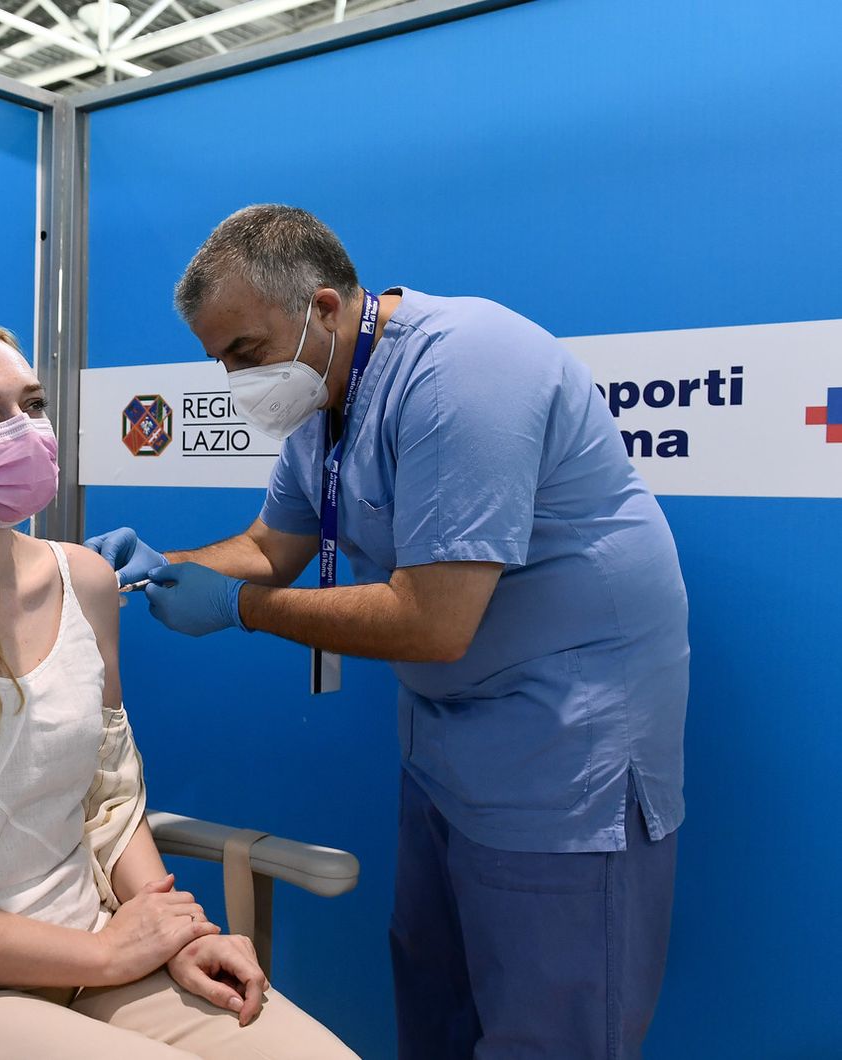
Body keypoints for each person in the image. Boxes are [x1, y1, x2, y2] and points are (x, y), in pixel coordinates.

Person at [87, 205, 688, 1060]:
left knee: (552, 1030)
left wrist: (237, 609)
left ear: (325, 308)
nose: (235, 379)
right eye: (220, 360)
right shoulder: (326, 396)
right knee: (436, 1006)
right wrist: (159, 561)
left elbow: (433, 621)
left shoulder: (465, 369)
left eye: (244, 353)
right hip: (448, 748)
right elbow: (269, 547)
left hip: (567, 747)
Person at [0, 319, 358, 1060]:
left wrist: (171, 929)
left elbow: (111, 797)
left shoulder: (84, 581)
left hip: (94, 940)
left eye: (31, 404)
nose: (23, 430)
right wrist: (111, 956)